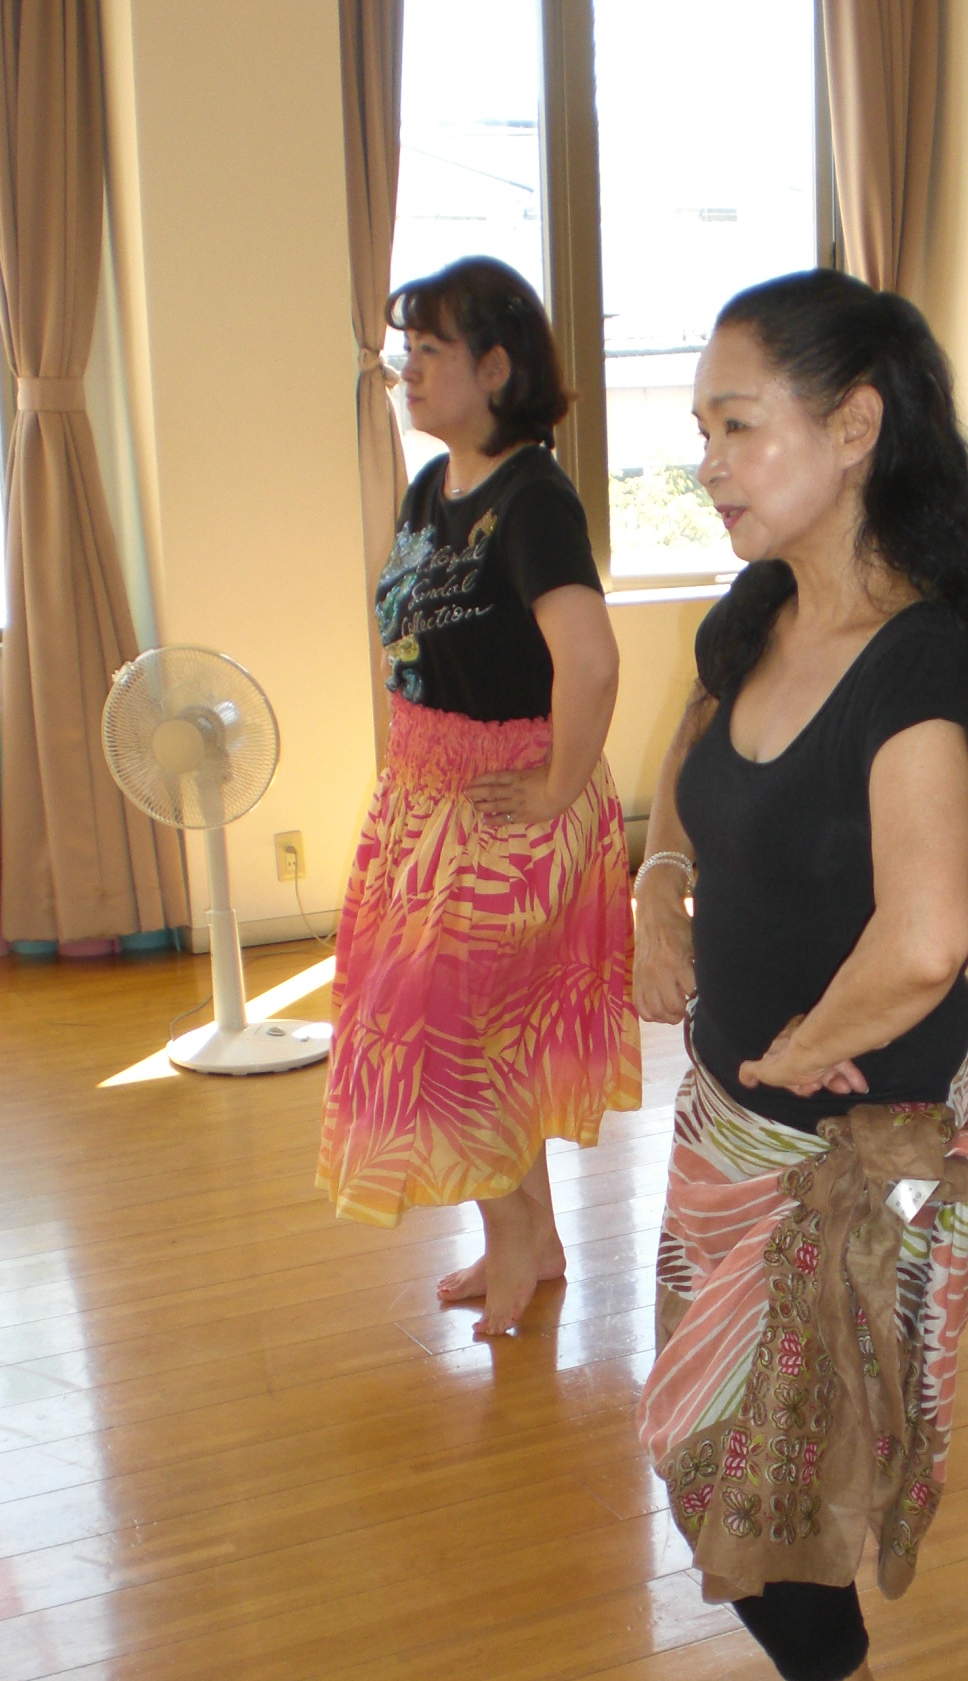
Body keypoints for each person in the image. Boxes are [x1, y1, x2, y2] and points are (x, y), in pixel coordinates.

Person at [632, 270, 968, 1681]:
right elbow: (682, 766)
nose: (712, 462)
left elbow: (927, 937)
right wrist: (657, 882)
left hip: (863, 1147)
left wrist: (811, 1041)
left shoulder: (919, 666)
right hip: (733, 1127)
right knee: (707, 1447)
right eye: (704, 430)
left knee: (779, 1469)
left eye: (739, 425)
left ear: (855, 426)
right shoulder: (752, 617)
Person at [318, 256, 641, 1337]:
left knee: (446, 1027)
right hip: (425, 800)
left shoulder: (533, 497)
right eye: (404, 350)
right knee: (485, 1031)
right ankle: (534, 1239)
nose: (406, 371)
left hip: (508, 805)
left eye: (430, 351)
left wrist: (556, 791)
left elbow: (590, 662)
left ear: (497, 368)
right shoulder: (433, 485)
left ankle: (514, 1238)